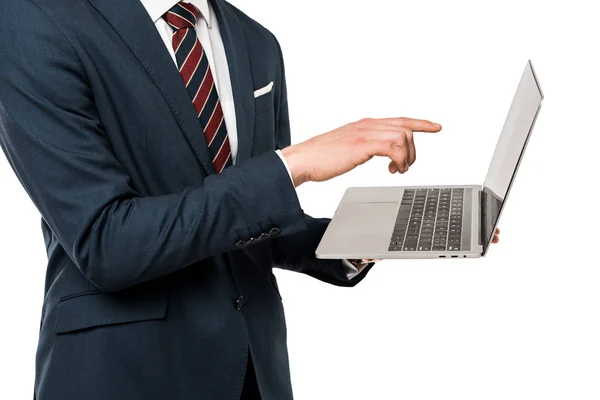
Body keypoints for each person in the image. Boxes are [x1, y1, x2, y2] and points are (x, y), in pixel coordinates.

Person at [0, 0, 500, 399]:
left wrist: (387, 230)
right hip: (124, 372)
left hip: (255, 371)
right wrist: (295, 163)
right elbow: (107, 242)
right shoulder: (33, 20)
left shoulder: (256, 42)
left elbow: (256, 221)